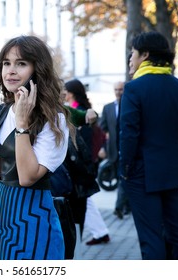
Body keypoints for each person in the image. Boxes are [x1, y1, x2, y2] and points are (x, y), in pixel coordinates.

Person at [0, 35, 72, 260]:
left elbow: (28, 177)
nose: (10, 70)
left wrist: (22, 125)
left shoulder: (54, 119)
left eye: (21, 63)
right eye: (6, 63)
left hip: (33, 217)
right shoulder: (0, 112)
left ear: (37, 69)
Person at [119, 31, 178, 259]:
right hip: (173, 172)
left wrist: (125, 170)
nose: (130, 59)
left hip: (141, 174)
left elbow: (129, 134)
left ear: (145, 55)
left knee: (151, 239)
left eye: (133, 53)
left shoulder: (134, 88)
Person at [64, 79, 110, 246]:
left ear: (71, 93)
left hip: (80, 164)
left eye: (65, 90)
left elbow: (85, 140)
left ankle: (100, 232)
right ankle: (101, 231)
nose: (63, 92)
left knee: (82, 201)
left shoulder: (78, 111)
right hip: (79, 164)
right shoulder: (76, 109)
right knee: (85, 200)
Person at [99, 81, 130, 219]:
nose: (118, 92)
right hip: (113, 150)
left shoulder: (130, 105)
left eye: (121, 89)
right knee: (121, 179)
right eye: (116, 89)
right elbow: (102, 128)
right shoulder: (108, 108)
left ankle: (120, 206)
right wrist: (103, 147)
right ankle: (125, 206)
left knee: (123, 178)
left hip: (128, 148)